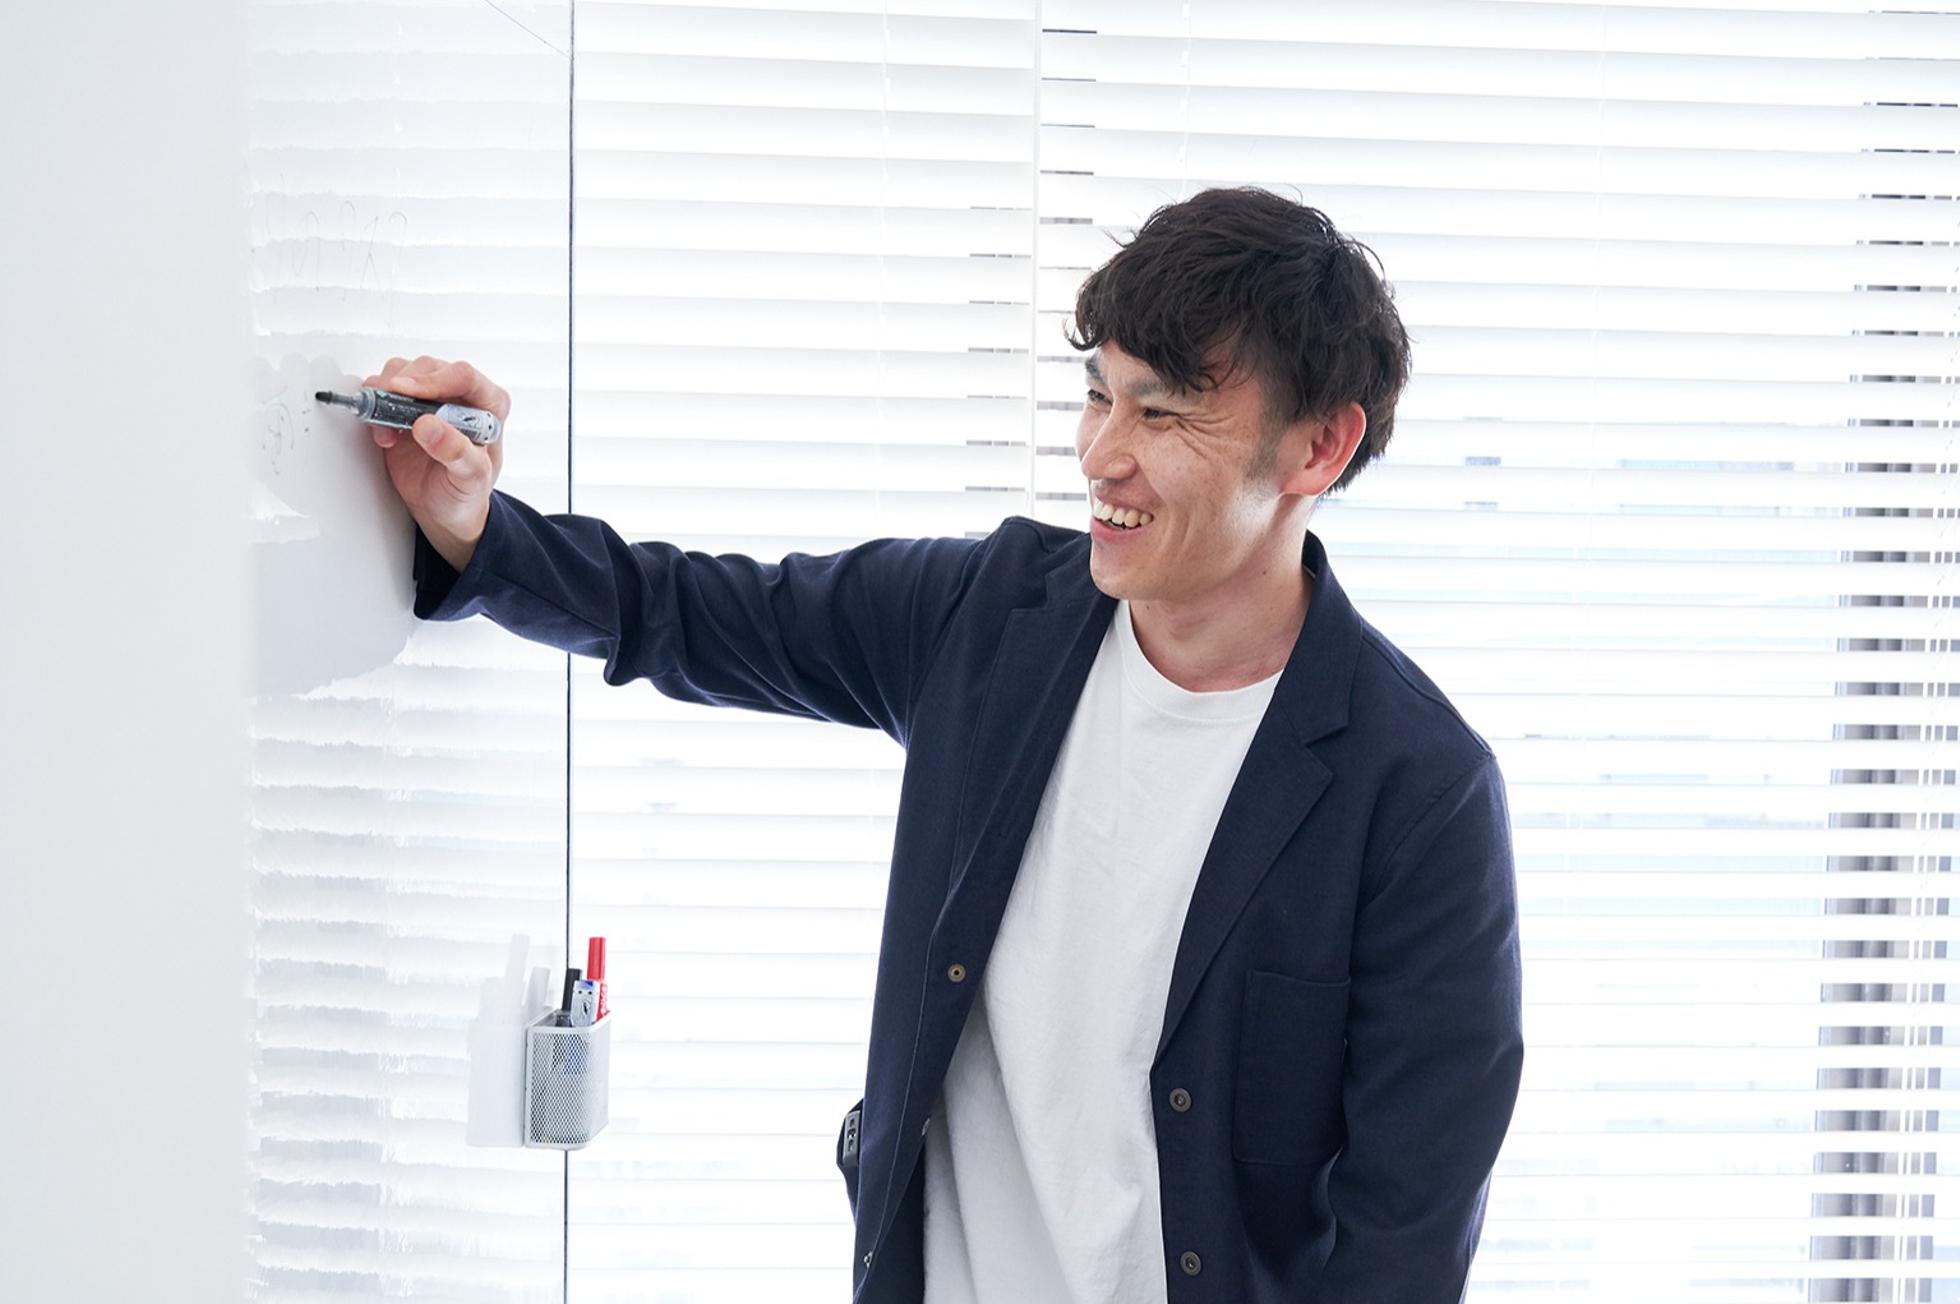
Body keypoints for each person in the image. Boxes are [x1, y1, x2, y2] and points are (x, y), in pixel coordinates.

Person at [370, 185, 1523, 1304]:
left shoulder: (1419, 794)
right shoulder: (991, 617)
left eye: (1163, 413)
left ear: (1317, 447)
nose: (1101, 454)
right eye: (1098, 395)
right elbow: (686, 611)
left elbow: (1402, 1244)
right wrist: (474, 526)